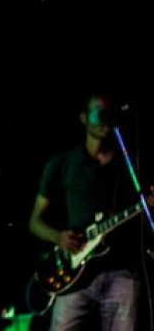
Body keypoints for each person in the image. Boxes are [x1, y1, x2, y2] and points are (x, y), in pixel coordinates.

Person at [28, 87, 153, 331]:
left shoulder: (130, 161)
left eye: (110, 112)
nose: (105, 117)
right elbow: (35, 221)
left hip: (123, 273)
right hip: (72, 276)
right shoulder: (62, 163)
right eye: (99, 112)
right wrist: (58, 237)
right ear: (83, 117)